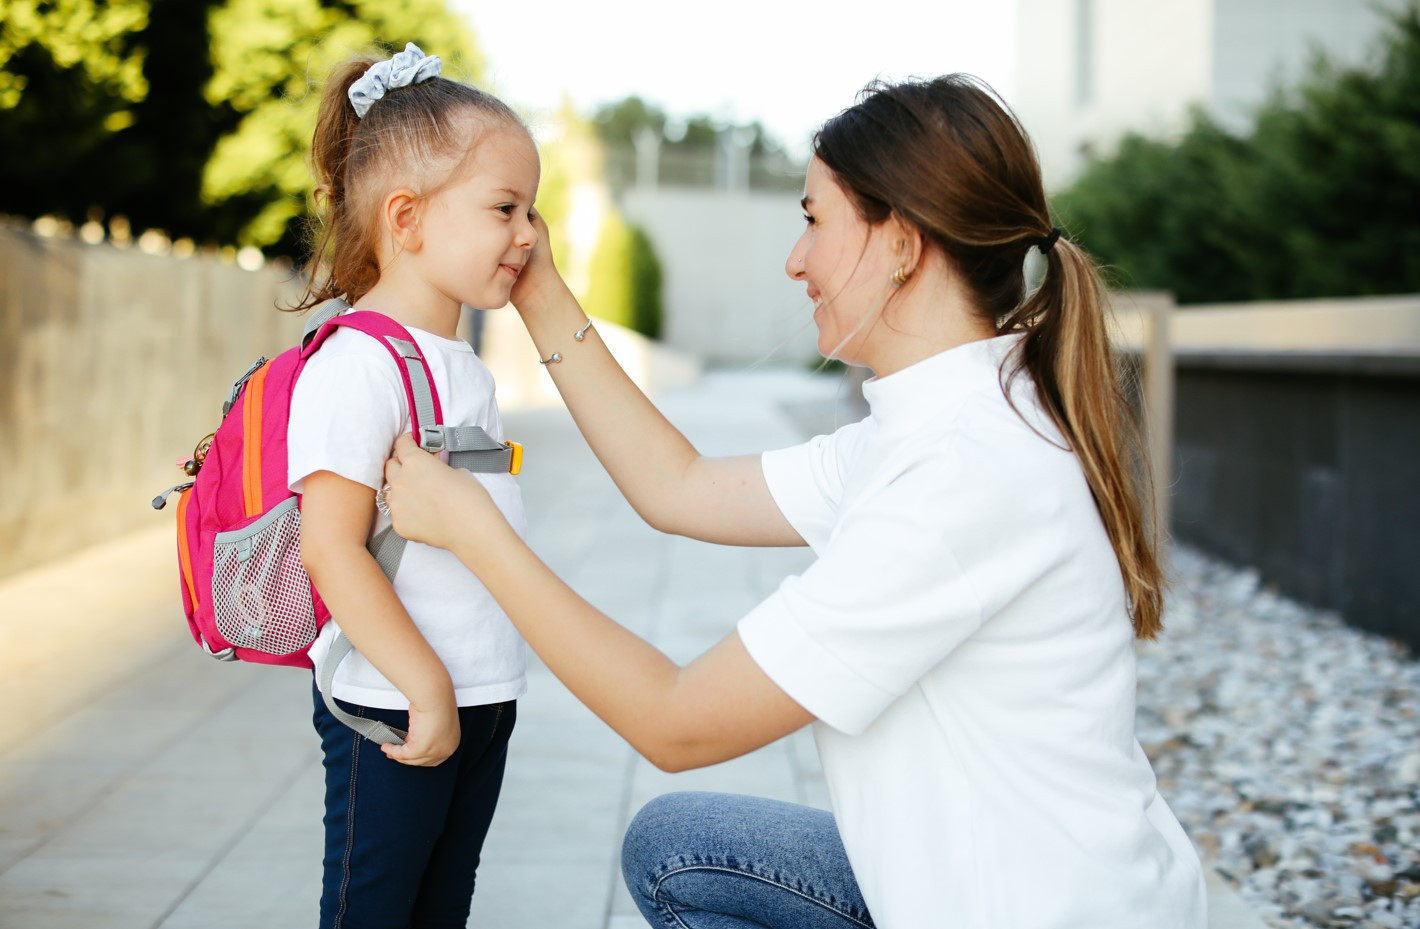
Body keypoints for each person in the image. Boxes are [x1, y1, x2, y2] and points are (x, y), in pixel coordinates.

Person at [381, 74, 1207, 929]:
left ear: (902, 244)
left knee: (683, 844)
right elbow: (681, 488)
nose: (795, 259)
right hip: (993, 882)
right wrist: (538, 289)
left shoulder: (962, 476)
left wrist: (478, 535)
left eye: (814, 220)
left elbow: (675, 722)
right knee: (679, 849)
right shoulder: (941, 422)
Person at [287, 43, 538, 929]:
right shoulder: (355, 362)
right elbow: (330, 544)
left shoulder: (460, 361)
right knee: (372, 912)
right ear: (407, 218)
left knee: (441, 911)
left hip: (478, 695)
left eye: (532, 211)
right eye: (505, 208)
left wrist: (467, 688)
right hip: (394, 701)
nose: (529, 235)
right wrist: (424, 684)